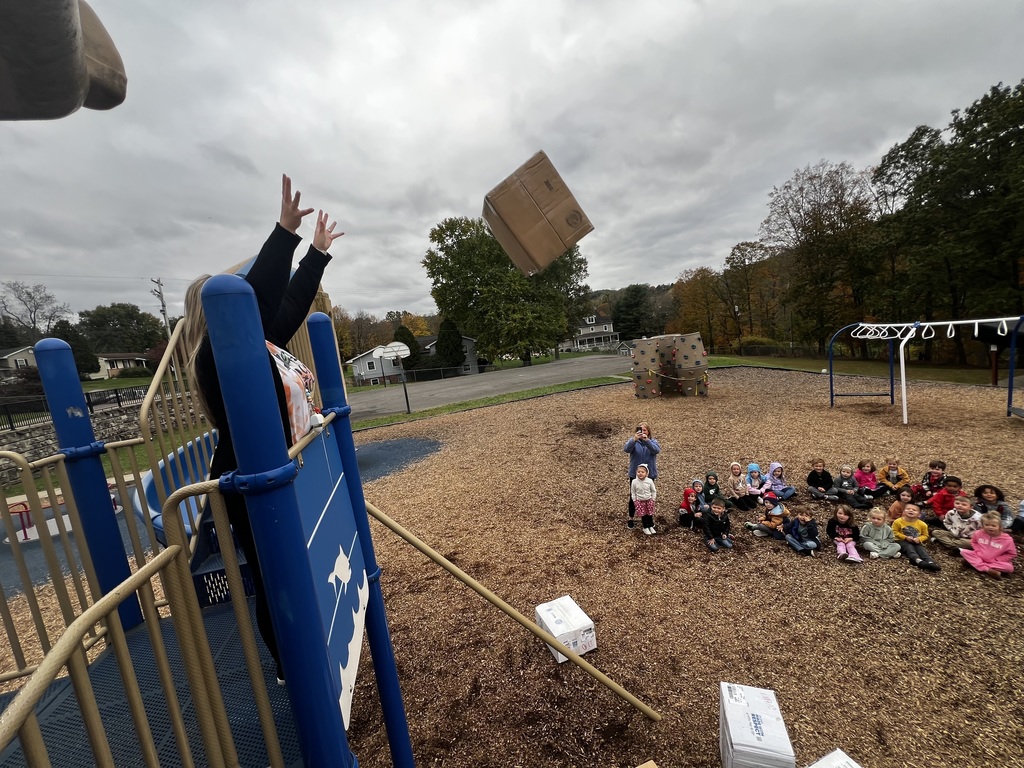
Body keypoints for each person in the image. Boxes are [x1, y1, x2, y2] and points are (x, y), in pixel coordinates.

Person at [184, 174, 344, 685]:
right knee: (276, 577)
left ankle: (310, 645)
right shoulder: (217, 356)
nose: (254, 311)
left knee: (297, 563)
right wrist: (283, 233)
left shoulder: (257, 343)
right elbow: (258, 299)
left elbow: (289, 305)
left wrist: (315, 255)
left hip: (274, 466)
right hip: (248, 475)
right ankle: (289, 666)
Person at [624, 422, 660, 529]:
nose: (642, 432)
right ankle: (631, 518)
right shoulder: (634, 442)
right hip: (635, 475)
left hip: (649, 475)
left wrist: (647, 441)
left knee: (648, 498)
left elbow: (656, 450)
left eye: (645, 430)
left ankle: (648, 519)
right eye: (640, 430)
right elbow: (626, 449)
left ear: (648, 432)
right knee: (633, 496)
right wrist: (634, 440)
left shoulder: (653, 441)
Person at [960, 512, 1017, 578]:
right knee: (963, 552)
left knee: (1009, 568)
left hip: (994, 562)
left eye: (993, 526)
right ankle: (988, 570)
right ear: (982, 525)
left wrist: (997, 559)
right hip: (979, 556)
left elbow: (1012, 554)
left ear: (1000, 526)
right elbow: (974, 542)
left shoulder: (1007, 539)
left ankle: (974, 564)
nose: (990, 527)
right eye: (987, 525)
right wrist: (978, 550)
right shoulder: (978, 533)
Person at [891, 503, 941, 571]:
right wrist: (905, 537)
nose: (911, 510)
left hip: (915, 541)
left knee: (921, 549)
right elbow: (894, 532)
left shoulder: (922, 524)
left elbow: (925, 535)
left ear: (919, 514)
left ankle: (930, 562)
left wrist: (919, 539)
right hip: (900, 540)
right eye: (908, 509)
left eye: (914, 510)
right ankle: (917, 560)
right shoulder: (898, 522)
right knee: (909, 548)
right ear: (903, 511)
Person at [630, 463, 658, 535]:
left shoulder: (649, 481)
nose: (640, 474)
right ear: (636, 472)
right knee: (643, 514)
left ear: (646, 473)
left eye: (642, 472)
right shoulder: (634, 482)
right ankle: (645, 527)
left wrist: (653, 499)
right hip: (640, 501)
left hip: (649, 500)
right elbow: (633, 492)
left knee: (649, 513)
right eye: (639, 472)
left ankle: (651, 525)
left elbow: (653, 490)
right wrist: (635, 500)